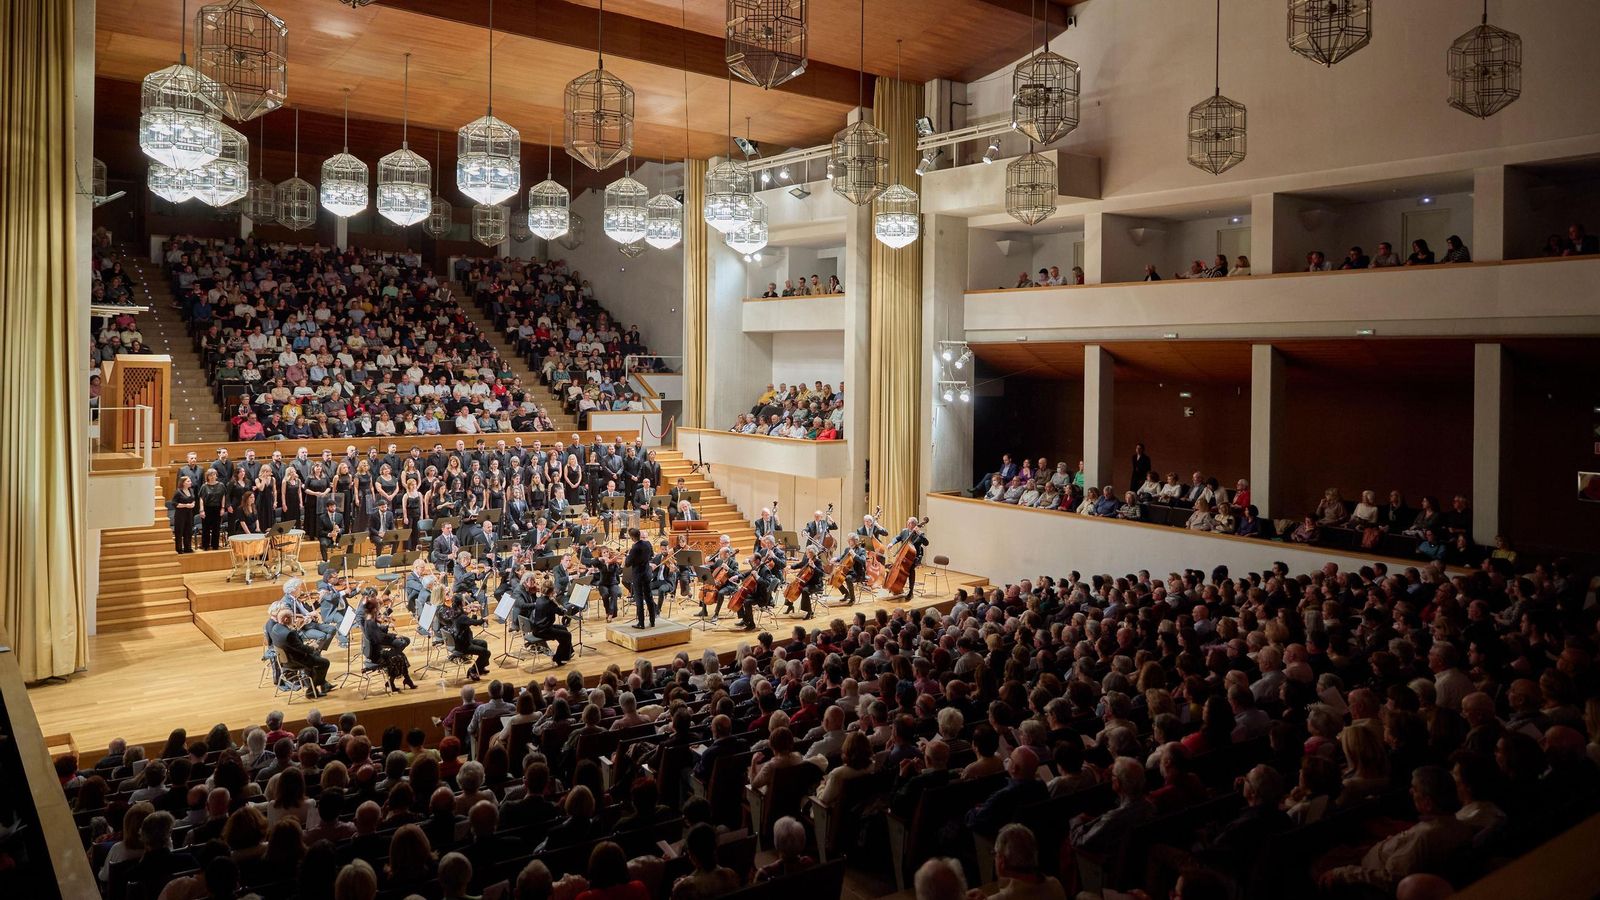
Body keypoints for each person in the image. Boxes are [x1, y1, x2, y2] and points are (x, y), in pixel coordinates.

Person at [362, 594, 417, 691]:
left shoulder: (369, 619)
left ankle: (401, 680)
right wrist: (394, 636)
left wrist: (387, 627)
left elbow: (378, 632)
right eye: (377, 608)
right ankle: (396, 681)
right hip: (376, 655)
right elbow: (380, 638)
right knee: (400, 656)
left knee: (400, 655)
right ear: (374, 609)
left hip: (375, 651)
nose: (378, 610)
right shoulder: (370, 622)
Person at [442, 589, 492, 681]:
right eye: (463, 601)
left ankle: (480, 668)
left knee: (483, 643)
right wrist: (483, 619)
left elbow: (469, 622)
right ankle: (472, 670)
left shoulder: (454, 612)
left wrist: (474, 613)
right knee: (487, 653)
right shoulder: (461, 616)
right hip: (464, 646)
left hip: (462, 641)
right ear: (461, 603)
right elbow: (476, 623)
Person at [625, 527, 657, 628]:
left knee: (639, 599)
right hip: (647, 573)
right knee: (649, 597)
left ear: (632, 538)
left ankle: (641, 623)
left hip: (638, 575)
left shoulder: (634, 548)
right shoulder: (647, 544)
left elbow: (627, 563)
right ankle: (652, 621)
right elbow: (651, 555)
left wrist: (628, 555)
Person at [889, 517, 928, 597]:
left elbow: (926, 543)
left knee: (911, 570)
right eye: (908, 523)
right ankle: (898, 586)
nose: (909, 524)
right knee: (896, 568)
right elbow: (897, 538)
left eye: (911, 523)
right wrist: (891, 543)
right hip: (903, 555)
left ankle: (911, 591)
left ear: (915, 524)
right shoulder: (904, 531)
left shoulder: (920, 534)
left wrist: (919, 534)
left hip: (914, 557)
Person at [171, 475, 197, 554]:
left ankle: (187, 548)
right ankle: (179, 549)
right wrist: (186, 505)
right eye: (188, 481)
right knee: (179, 532)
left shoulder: (191, 490)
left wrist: (193, 504)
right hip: (180, 515)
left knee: (188, 531)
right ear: (183, 483)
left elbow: (193, 499)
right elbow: (174, 503)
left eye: (190, 481)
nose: (190, 482)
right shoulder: (178, 492)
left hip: (189, 514)